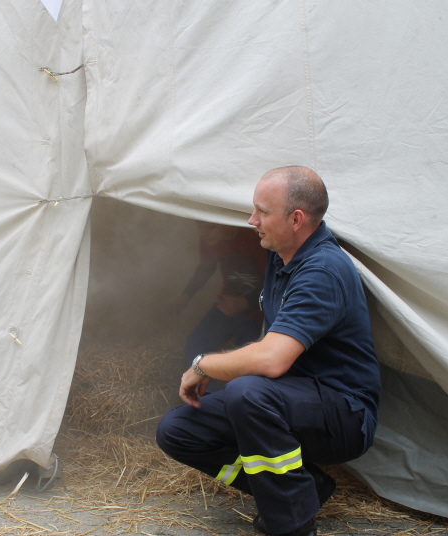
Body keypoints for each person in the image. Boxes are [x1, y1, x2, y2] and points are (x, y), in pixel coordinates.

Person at [156, 166, 380, 536]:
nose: (251, 220)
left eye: (262, 211)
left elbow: (272, 359)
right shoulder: (281, 256)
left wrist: (203, 365)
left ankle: (292, 523)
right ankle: (303, 488)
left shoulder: (323, 269)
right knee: (177, 429)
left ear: (296, 219)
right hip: (288, 398)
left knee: (248, 392)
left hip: (345, 412)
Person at [168, 222, 268, 383]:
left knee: (244, 362)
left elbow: (273, 280)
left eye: (211, 227)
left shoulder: (254, 238)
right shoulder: (210, 241)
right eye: (199, 226)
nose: (204, 233)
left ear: (227, 223)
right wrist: (186, 296)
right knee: (196, 344)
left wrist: (246, 302)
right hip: (226, 305)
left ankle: (227, 400)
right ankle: (205, 397)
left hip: (258, 313)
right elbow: (205, 268)